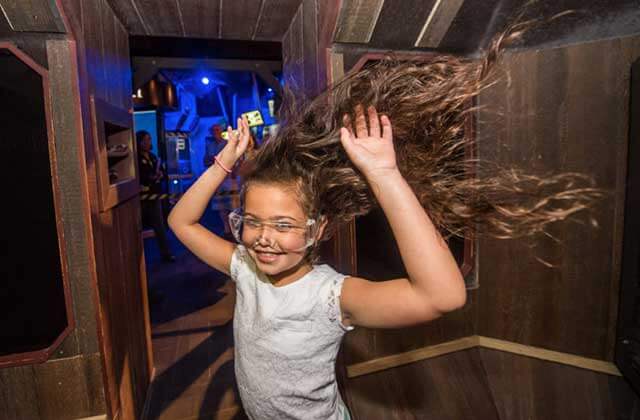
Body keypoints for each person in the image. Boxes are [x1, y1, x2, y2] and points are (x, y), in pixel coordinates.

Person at [168, 24, 602, 419]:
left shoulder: (328, 297)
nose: (264, 238)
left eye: (284, 225)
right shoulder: (244, 268)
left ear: (316, 230)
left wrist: (384, 174)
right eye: (254, 222)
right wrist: (223, 164)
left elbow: (442, 296)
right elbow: (181, 223)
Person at [137, 130, 175, 263]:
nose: (148, 142)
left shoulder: (153, 157)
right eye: (145, 140)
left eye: (149, 139)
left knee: (159, 227)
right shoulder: (136, 159)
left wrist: (158, 175)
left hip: (154, 198)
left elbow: (163, 174)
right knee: (136, 229)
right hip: (140, 199)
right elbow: (143, 177)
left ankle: (166, 254)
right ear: (139, 142)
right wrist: (153, 177)